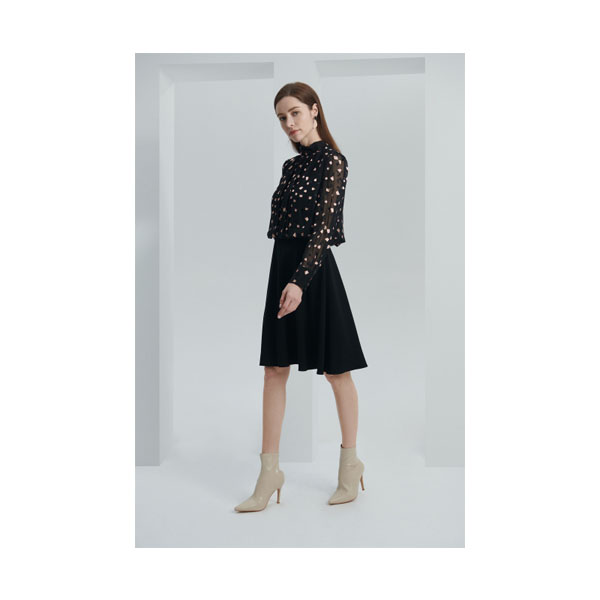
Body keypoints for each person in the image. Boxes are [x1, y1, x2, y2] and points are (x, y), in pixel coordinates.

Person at [234, 82, 368, 512]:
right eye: (281, 118)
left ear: (314, 110)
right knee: (274, 369)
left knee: (337, 371)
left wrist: (299, 281)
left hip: (314, 272)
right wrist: (286, 279)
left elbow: (325, 228)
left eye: (294, 113)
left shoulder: (333, 161)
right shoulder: (290, 167)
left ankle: (350, 465)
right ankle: (268, 473)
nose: (288, 123)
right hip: (282, 269)